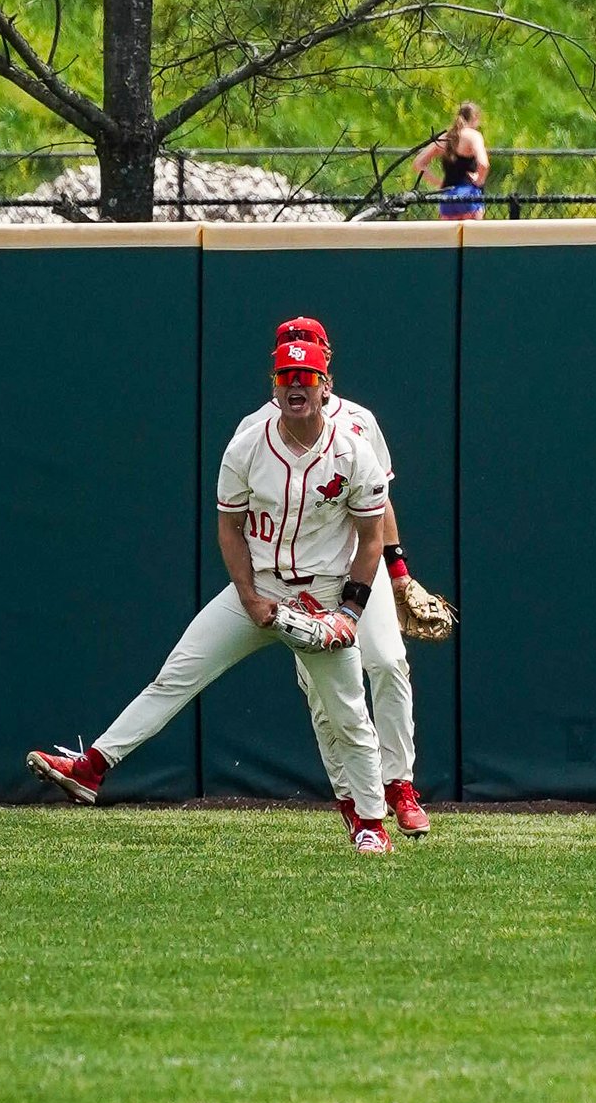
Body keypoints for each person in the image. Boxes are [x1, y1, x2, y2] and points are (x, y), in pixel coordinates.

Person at [28, 338, 396, 854]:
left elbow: (371, 537)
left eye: (306, 377)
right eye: (286, 378)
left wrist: (350, 612)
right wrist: (248, 597)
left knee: (349, 714)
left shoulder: (352, 450)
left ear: (324, 385)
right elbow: (229, 528)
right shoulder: (248, 443)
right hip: (260, 587)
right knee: (175, 675)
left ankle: (372, 823)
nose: (296, 386)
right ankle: (92, 769)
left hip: (322, 596)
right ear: (274, 384)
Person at [232, 316, 431, 843]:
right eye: (287, 355)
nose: (297, 367)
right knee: (323, 697)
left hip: (361, 572)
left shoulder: (360, 422)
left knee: (388, 662)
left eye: (308, 352)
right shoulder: (254, 429)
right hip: (300, 581)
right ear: (275, 370)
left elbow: (379, 506)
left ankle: (399, 786)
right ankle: (351, 798)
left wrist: (401, 573)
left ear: (325, 365)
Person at [412, 101, 489, 221]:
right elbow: (483, 164)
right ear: (475, 118)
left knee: (449, 238)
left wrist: (438, 182)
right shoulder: (473, 136)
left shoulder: (446, 137)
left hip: (447, 197)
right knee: (473, 238)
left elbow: (418, 163)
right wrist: (479, 180)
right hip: (468, 194)